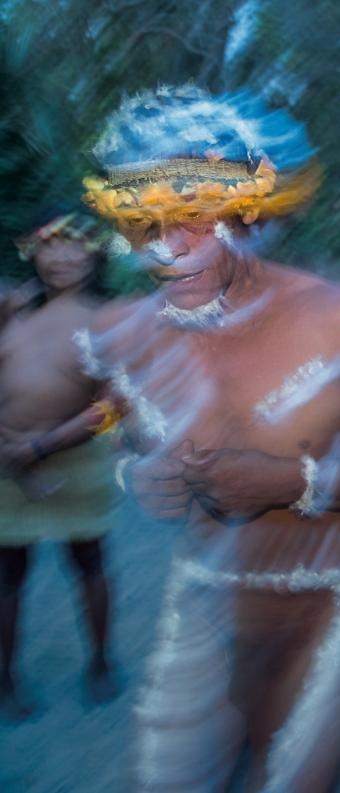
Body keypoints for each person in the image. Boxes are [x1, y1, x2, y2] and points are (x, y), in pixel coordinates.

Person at [79, 86, 340, 792]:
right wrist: (141, 473)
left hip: (328, 601)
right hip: (209, 601)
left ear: (246, 211)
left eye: (191, 216)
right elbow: (125, 429)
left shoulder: (338, 317)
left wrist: (295, 483)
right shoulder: (134, 334)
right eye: (145, 223)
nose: (168, 243)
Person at [0, 212, 121, 717]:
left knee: (89, 563)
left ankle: (100, 662)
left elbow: (114, 405)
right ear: (33, 252)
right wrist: (12, 449)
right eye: (50, 245)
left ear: (94, 254)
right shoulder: (10, 309)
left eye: (75, 245)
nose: (62, 256)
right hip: (5, 459)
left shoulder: (110, 319)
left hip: (76, 459)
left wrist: (41, 448)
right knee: (7, 574)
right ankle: (4, 678)